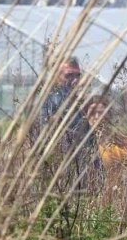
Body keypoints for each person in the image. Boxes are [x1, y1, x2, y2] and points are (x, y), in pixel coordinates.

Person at [37, 57, 97, 188]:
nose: (75, 80)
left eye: (78, 75)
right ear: (56, 77)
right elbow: (44, 137)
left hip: (84, 172)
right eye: (69, 75)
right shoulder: (50, 101)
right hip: (62, 174)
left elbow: (92, 141)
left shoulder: (81, 102)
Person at [84, 95, 127, 208]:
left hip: (116, 199)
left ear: (108, 115)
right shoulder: (83, 142)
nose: (96, 117)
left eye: (100, 113)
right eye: (92, 113)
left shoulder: (120, 144)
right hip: (90, 200)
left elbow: (126, 171)